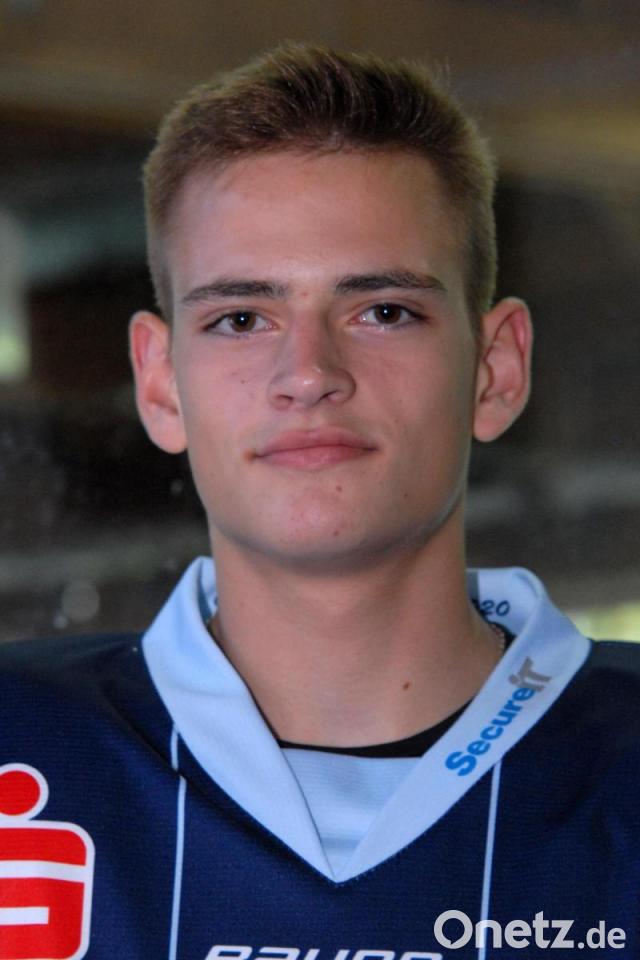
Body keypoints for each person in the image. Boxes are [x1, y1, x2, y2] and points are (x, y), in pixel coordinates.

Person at [1, 43, 639, 960]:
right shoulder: (19, 747)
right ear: (160, 383)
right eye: (239, 319)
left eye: (383, 311)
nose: (307, 373)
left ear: (496, 369)